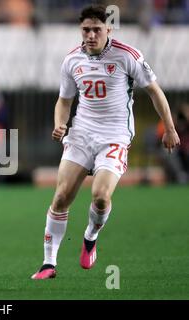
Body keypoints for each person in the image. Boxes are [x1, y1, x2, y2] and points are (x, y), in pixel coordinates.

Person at [30, 4, 180, 280]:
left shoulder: (127, 56)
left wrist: (169, 128)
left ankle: (91, 236)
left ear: (108, 29)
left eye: (96, 29)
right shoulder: (72, 60)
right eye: (85, 29)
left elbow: (155, 91)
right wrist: (59, 124)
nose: (90, 35)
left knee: (100, 196)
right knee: (61, 196)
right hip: (82, 133)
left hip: (114, 136)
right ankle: (48, 264)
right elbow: (64, 101)